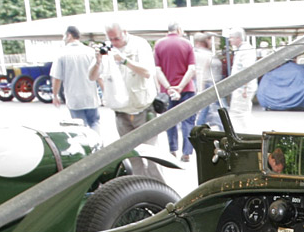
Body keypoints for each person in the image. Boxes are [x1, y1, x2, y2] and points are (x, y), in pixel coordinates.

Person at [89, 22, 161, 178]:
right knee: (132, 157)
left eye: (117, 38)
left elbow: (148, 72)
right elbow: (92, 76)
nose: (114, 43)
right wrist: (98, 61)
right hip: (121, 112)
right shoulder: (108, 48)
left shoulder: (139, 45)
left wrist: (124, 60)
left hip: (143, 108)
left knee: (152, 156)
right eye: (111, 39)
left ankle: (161, 194)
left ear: (125, 32)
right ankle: (141, 193)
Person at [154, 22, 197, 162]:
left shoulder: (158, 45)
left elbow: (157, 70)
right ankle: (187, 153)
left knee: (170, 121)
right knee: (188, 122)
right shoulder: (187, 44)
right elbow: (191, 69)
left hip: (166, 92)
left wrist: (169, 87)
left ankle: (172, 150)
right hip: (187, 89)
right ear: (179, 30)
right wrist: (180, 86)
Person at [51, 26, 101, 133]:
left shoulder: (61, 54)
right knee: (95, 123)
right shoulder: (91, 52)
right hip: (91, 97)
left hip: (74, 99)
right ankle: (99, 144)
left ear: (69, 35)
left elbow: (57, 78)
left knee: (80, 127)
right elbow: (99, 76)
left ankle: (89, 147)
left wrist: (55, 95)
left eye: (64, 36)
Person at [226, 27, 257, 128]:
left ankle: (244, 132)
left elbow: (247, 70)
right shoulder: (242, 49)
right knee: (243, 112)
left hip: (243, 87)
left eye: (231, 38)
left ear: (238, 38)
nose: (229, 40)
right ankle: (248, 132)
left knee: (238, 113)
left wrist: (245, 88)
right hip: (242, 87)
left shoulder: (245, 50)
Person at [192, 32, 223, 131]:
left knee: (206, 110)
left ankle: (198, 127)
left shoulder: (196, 53)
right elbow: (201, 72)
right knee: (213, 108)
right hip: (208, 83)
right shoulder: (205, 54)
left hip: (206, 83)